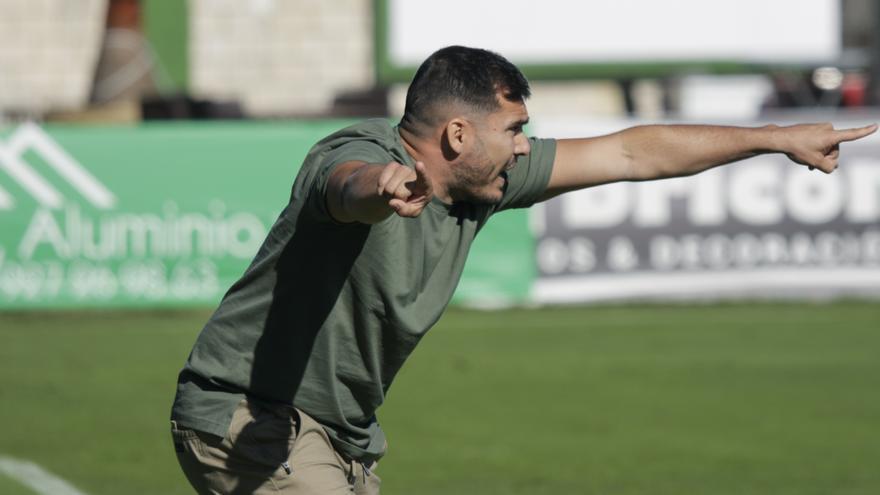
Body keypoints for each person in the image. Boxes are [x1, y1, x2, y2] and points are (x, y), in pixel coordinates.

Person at [170, 45, 876, 494]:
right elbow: (342, 187)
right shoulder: (355, 151)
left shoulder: (484, 181)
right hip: (248, 417)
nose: (523, 146)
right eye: (513, 130)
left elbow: (634, 152)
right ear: (456, 135)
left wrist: (775, 137)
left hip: (344, 440)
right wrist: (380, 189)